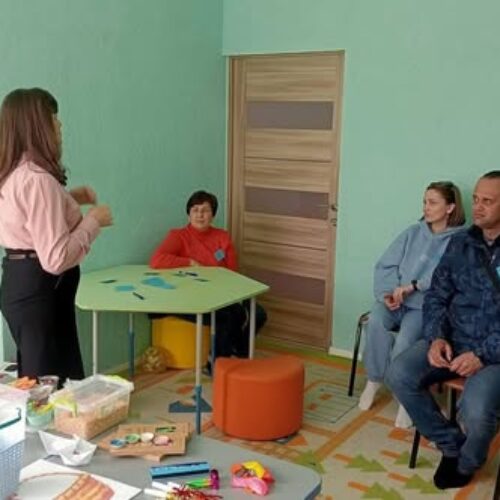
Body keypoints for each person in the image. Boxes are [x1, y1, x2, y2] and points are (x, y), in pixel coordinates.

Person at [386, 171, 500, 490]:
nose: (478, 207)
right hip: (453, 339)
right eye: (475, 199)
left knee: (476, 412)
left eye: (488, 201)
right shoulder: (461, 243)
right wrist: (436, 336)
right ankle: (451, 443)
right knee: (399, 374)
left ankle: (467, 462)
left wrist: (481, 354)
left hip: (493, 355)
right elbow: (437, 294)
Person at [0, 88, 113, 386]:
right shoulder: (38, 180)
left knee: (39, 381)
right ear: (37, 126)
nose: (60, 125)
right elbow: (55, 258)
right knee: (52, 389)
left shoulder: (14, 172)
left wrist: (69, 198)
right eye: (53, 118)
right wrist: (93, 221)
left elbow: (26, 219)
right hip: (41, 291)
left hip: (21, 284)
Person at [358, 181, 465, 428]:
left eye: (433, 202)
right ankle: (374, 380)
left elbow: (449, 276)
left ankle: (406, 400)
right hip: (396, 300)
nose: (426, 207)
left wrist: (414, 286)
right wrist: (387, 293)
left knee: (405, 341)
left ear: (450, 207)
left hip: (425, 306)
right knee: (375, 321)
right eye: (424, 202)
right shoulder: (412, 232)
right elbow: (387, 264)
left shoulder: (461, 240)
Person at [149, 190, 267, 366]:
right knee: (226, 317)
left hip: (221, 294)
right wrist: (189, 262)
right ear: (188, 214)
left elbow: (232, 271)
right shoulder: (178, 236)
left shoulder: (222, 237)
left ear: (213, 214)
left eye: (205, 210)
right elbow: (157, 260)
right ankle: (217, 364)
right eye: (195, 210)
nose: (200, 215)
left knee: (258, 313)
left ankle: (239, 350)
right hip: (191, 298)